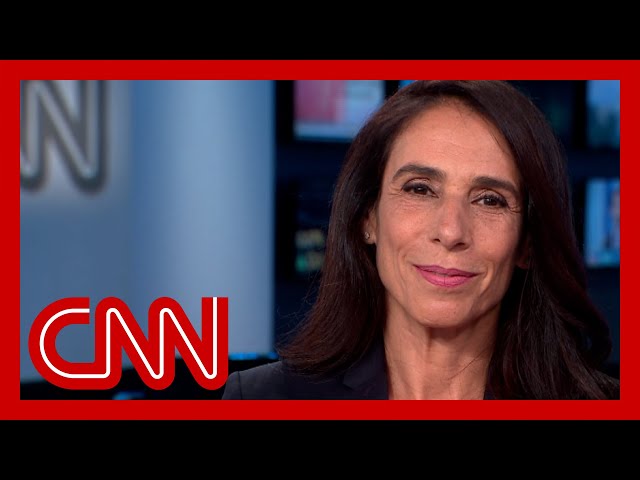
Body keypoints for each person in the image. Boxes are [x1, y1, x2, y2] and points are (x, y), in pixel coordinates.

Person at [222, 80, 620, 400]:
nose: (450, 232)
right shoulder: (260, 399)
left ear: (527, 243)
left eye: (489, 199)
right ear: (368, 218)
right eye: (419, 189)